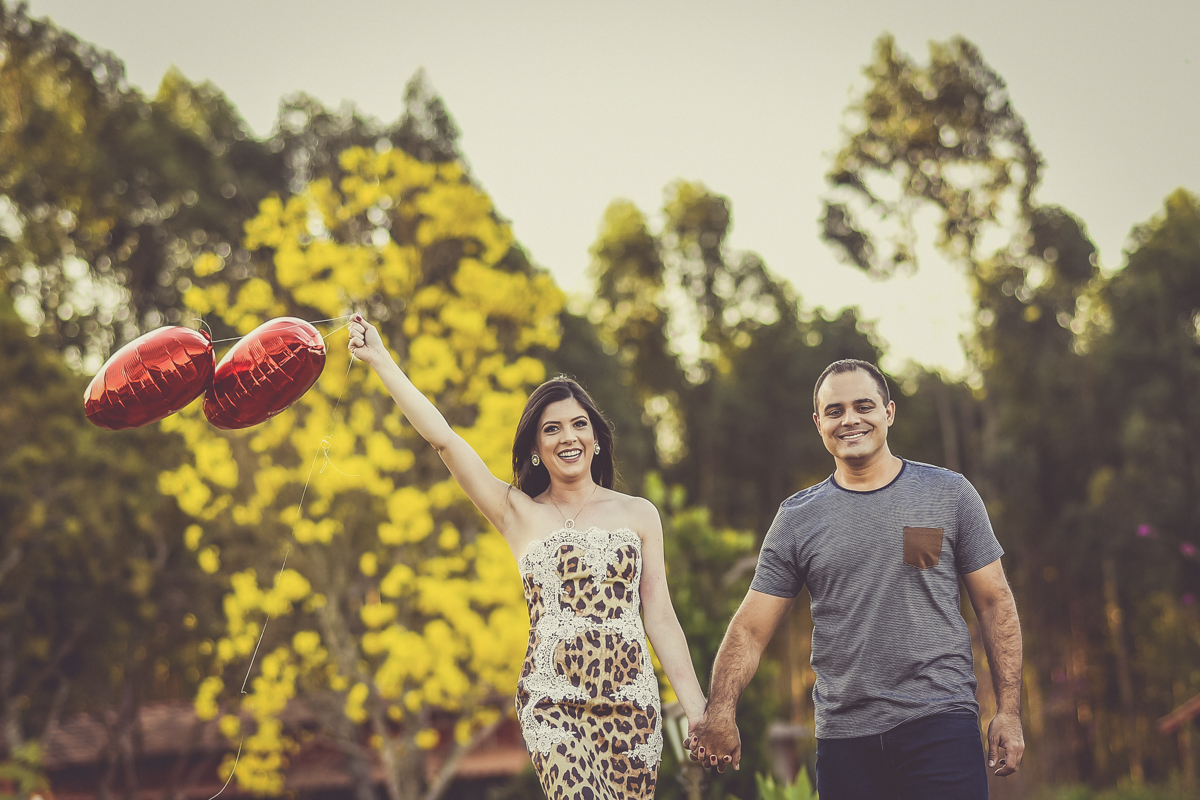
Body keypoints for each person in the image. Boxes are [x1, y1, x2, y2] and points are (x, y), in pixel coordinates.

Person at [348, 315, 706, 799]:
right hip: (554, 702)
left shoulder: (639, 514)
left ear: (596, 437)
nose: (568, 437)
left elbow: (660, 615)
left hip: (631, 705)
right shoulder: (515, 511)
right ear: (537, 447)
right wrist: (382, 360)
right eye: (552, 429)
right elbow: (445, 439)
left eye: (579, 425)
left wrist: (699, 713)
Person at [686, 358, 1024, 799]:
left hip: (941, 723)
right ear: (818, 423)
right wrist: (721, 711)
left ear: (889, 413)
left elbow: (995, 603)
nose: (850, 419)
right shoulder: (797, 519)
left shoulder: (949, 494)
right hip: (845, 740)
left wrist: (1009, 711)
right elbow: (750, 629)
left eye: (863, 406)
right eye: (835, 410)